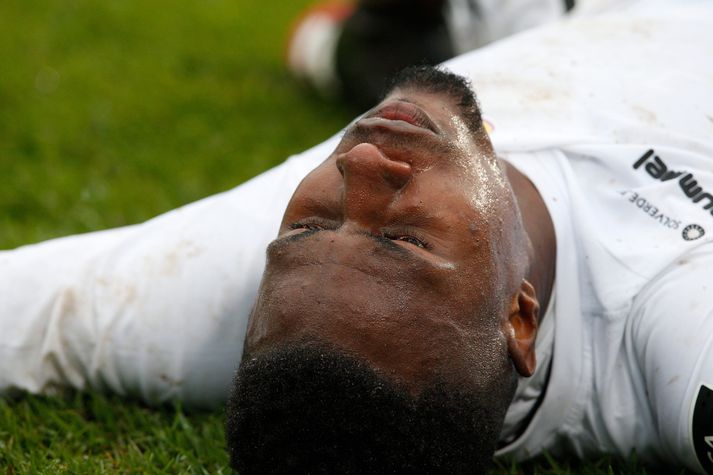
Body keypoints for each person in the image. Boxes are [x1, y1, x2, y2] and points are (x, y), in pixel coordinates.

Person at [1, 1, 712, 473]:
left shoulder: (250, 284)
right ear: (518, 316)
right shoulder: (671, 318)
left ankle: (338, 45)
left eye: (308, 225)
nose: (361, 162)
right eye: (404, 240)